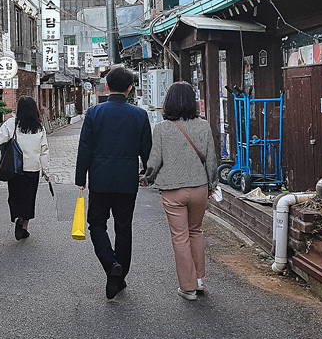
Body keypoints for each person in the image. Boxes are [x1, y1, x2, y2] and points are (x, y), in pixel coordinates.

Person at [75, 66, 152, 299]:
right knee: (123, 226)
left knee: (97, 224)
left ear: (106, 86)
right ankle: (119, 276)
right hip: (127, 180)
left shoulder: (94, 113)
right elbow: (146, 150)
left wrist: (81, 178)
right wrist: (147, 174)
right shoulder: (139, 115)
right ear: (130, 89)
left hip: (100, 179)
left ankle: (111, 265)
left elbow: (85, 147)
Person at [143, 82, 219, 301]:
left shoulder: (162, 128)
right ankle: (199, 279)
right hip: (199, 189)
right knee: (196, 231)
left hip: (173, 190)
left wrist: (148, 179)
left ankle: (188, 287)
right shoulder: (203, 126)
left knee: (180, 237)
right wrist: (212, 185)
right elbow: (211, 160)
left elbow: (154, 161)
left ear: (169, 102)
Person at [0, 96, 50, 240]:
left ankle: (17, 219)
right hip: (33, 169)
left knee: (15, 197)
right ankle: (24, 227)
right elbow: (44, 150)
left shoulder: (12, 124)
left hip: (15, 168)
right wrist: (46, 170)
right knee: (29, 198)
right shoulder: (39, 127)